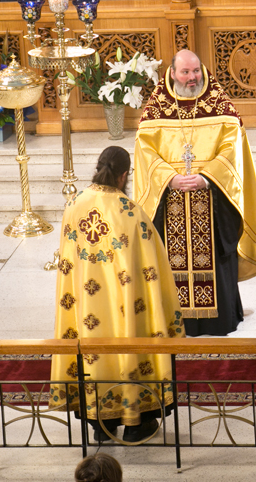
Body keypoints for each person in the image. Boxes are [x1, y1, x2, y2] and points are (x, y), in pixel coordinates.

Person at [134, 49, 256, 336]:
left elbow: (232, 149)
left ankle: (219, 319)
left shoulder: (220, 106)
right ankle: (175, 320)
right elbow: (145, 151)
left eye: (196, 71)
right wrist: (169, 178)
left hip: (212, 198)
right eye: (185, 72)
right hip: (169, 198)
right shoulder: (156, 111)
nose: (192, 77)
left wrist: (207, 177)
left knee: (215, 255)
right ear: (172, 73)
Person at [49, 146, 184, 444]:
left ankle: (100, 426)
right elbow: (154, 268)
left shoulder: (73, 204)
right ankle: (137, 424)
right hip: (125, 311)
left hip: (87, 311)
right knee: (131, 347)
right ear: (124, 176)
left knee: (94, 355)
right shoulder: (131, 212)